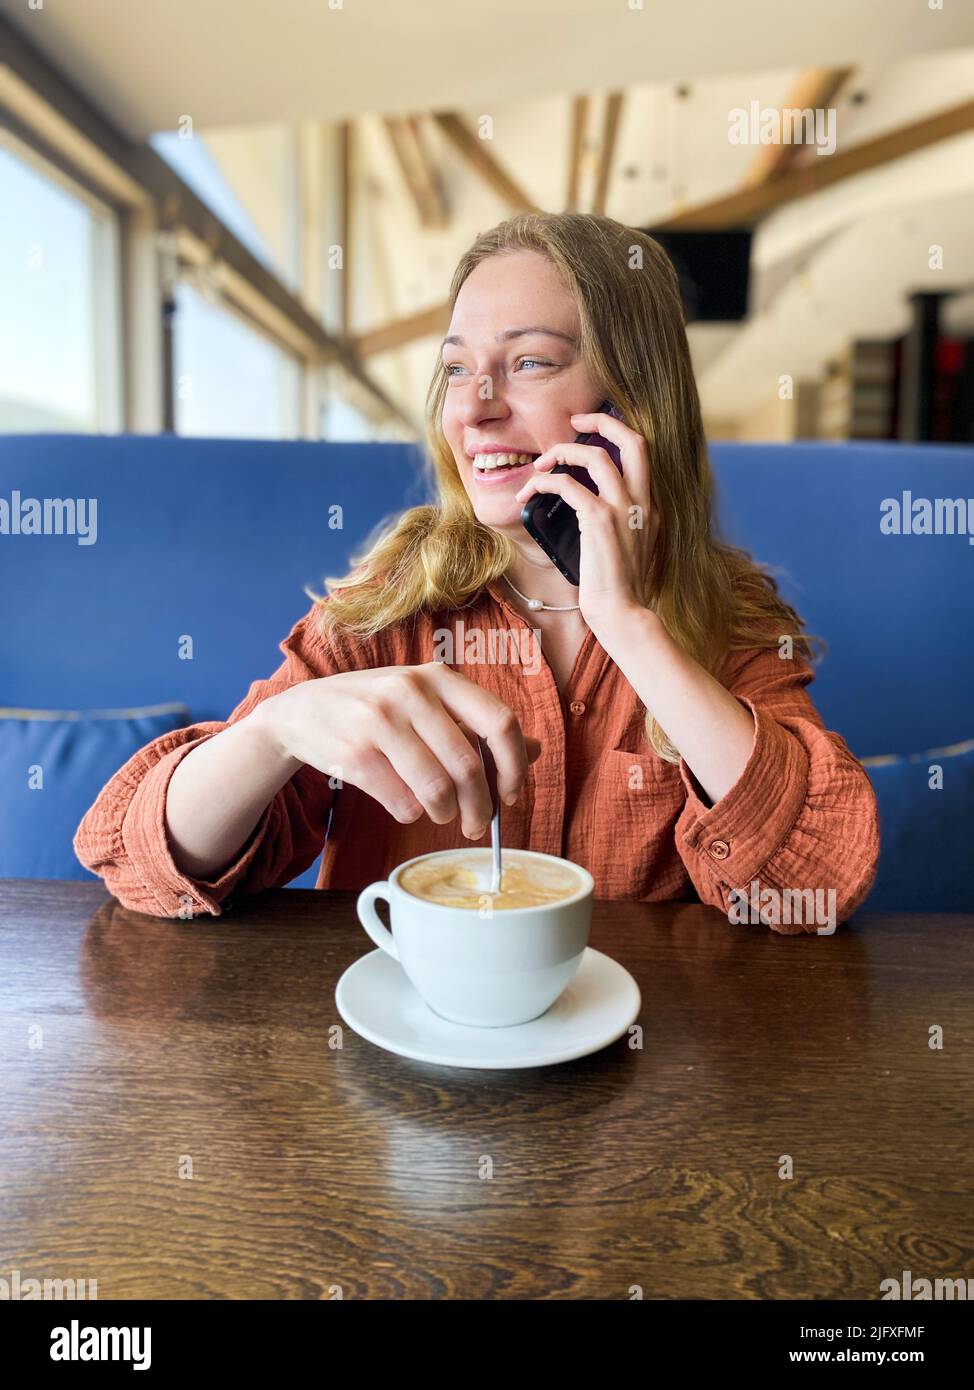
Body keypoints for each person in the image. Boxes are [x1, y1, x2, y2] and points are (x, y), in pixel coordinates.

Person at [74, 211, 880, 932]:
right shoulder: (388, 609)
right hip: (402, 1051)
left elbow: (816, 887)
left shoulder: (733, 620)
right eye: (458, 369)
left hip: (632, 1062)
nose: (474, 406)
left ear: (633, 405)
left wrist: (631, 626)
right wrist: (276, 732)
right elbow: (137, 865)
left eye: (529, 362)